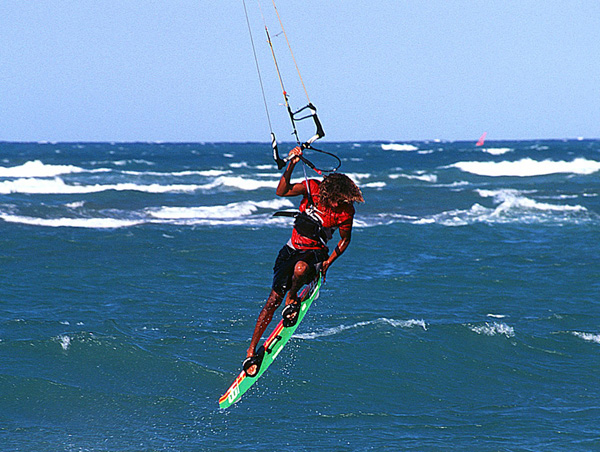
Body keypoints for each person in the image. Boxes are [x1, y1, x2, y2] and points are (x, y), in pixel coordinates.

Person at [243, 146, 364, 377]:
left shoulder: (346, 212)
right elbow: (281, 191)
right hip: (291, 249)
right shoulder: (313, 189)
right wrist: (291, 164)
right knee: (271, 301)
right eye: (336, 201)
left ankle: (293, 298)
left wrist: (328, 262)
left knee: (301, 269)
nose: (338, 205)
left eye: (342, 201)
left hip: (315, 254)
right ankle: (250, 350)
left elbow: (344, 240)